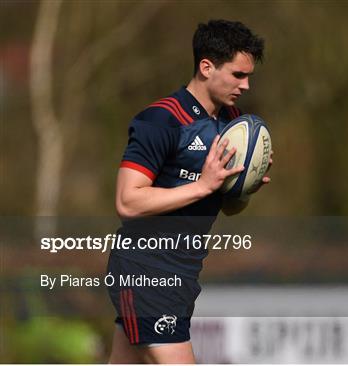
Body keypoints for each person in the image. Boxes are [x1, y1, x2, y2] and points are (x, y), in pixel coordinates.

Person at [106, 19, 269, 363]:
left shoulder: (231, 124)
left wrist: (242, 187)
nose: (246, 85)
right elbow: (128, 201)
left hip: (182, 271)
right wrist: (203, 185)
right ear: (206, 67)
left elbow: (227, 208)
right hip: (147, 269)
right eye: (238, 75)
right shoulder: (161, 121)